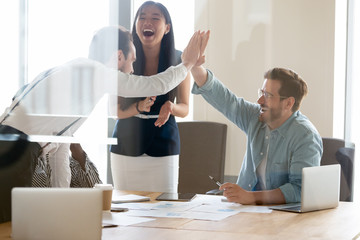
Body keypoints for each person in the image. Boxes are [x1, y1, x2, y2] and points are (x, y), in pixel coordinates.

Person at [0, 25, 207, 222]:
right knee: (6, 226)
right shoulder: (94, 73)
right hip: (15, 153)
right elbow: (154, 84)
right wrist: (186, 64)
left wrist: (61, 205)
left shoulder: (76, 76)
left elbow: (60, 146)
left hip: (12, 146)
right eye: (132, 61)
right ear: (118, 56)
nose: (132, 70)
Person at [191, 61, 323, 204]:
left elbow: (300, 190)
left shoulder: (305, 136)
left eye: (268, 95)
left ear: (288, 103)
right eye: (261, 92)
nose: (260, 100)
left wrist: (251, 197)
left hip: (282, 218)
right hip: (242, 212)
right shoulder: (255, 117)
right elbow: (224, 99)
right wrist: (193, 64)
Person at [110, 1, 191, 193]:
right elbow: (115, 109)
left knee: (165, 210)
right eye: (142, 17)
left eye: (155, 18)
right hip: (126, 143)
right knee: (127, 214)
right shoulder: (122, 58)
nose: (148, 22)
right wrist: (138, 107)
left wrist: (171, 106)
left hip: (164, 143)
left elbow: (185, 108)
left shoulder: (180, 61)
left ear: (167, 28)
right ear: (136, 25)